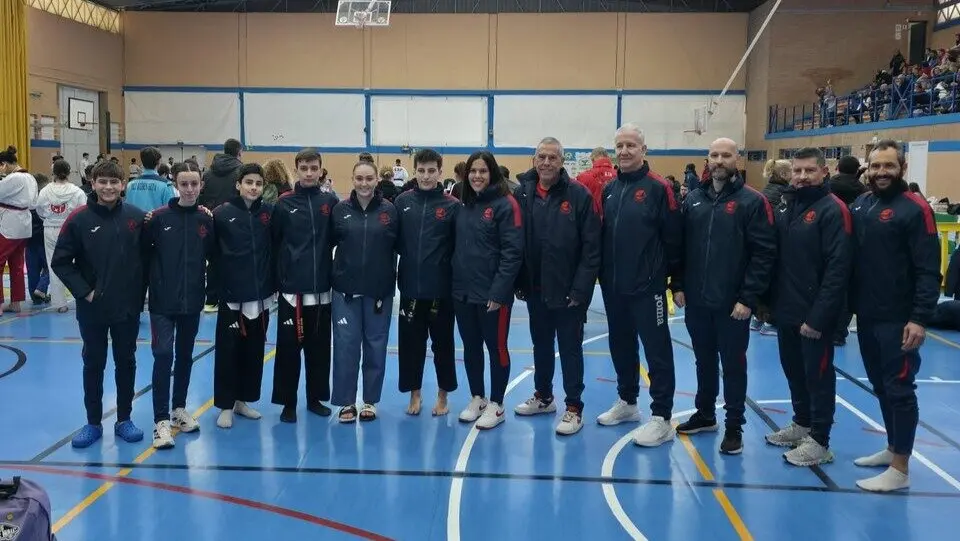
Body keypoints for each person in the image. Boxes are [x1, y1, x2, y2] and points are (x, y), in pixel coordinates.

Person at [671, 138, 776, 455]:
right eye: (714, 155)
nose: (719, 160)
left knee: (733, 366)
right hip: (697, 301)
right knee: (703, 361)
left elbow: (764, 254)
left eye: (726, 155)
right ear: (707, 159)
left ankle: (734, 427)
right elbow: (681, 247)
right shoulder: (693, 199)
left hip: (733, 305)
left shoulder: (753, 202)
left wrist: (748, 298)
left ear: (737, 159)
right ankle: (705, 414)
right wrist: (678, 285)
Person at [849, 140, 941, 492]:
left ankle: (900, 469)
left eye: (888, 165)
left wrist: (919, 318)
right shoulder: (862, 205)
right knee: (881, 386)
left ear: (902, 168)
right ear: (867, 169)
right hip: (867, 316)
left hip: (900, 320)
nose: (881, 172)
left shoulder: (915, 209)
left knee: (900, 389)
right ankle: (892, 448)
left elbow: (928, 270)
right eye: (875, 166)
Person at [764, 147, 852, 466]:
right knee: (793, 370)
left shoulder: (834, 210)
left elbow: (838, 270)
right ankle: (802, 423)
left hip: (815, 316)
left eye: (809, 170)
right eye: (797, 171)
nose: (802, 177)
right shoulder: (789, 206)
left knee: (818, 376)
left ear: (824, 172)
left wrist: (818, 317)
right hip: (787, 310)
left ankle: (820, 441)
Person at [51, 160, 147, 448]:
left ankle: (124, 419)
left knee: (126, 362)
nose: (108, 187)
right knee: (93, 364)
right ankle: (92, 422)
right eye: (102, 182)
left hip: (127, 308)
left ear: (123, 185)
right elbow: (61, 261)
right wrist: (86, 292)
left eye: (114, 182)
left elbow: (151, 256)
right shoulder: (78, 219)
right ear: (92, 184)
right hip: (92, 309)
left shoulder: (136, 217)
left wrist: (139, 292)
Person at [596, 124, 681, 447]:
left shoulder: (659, 188)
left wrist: (672, 280)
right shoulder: (610, 188)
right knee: (621, 345)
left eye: (631, 145)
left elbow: (674, 239)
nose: (624, 151)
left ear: (643, 150)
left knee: (657, 350)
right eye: (619, 146)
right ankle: (628, 402)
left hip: (649, 288)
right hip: (614, 286)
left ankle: (661, 417)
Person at [513, 137, 601, 436]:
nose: (546, 162)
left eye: (552, 157)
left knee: (570, 349)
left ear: (562, 162)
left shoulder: (579, 195)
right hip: (535, 289)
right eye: (542, 157)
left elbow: (592, 248)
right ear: (534, 160)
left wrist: (580, 290)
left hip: (568, 294)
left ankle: (574, 407)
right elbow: (516, 240)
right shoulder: (523, 192)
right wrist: (520, 281)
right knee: (540, 345)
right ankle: (544, 396)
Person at [143, 162, 216, 448]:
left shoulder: (205, 219)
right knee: (163, 355)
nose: (189, 189)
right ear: (175, 184)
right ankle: (160, 420)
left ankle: (178, 410)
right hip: (162, 302)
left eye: (194, 184)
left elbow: (211, 255)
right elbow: (143, 254)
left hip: (192, 301)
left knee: (185, 356)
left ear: (201, 185)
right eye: (184, 184)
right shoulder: (158, 218)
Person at [452, 151, 523, 430]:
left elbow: (513, 253)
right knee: (471, 347)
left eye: (483, 171)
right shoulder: (464, 204)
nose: (477, 176)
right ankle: (478, 398)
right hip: (463, 292)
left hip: (493, 296)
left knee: (497, 348)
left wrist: (498, 292)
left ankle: (497, 404)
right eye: (473, 171)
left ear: (492, 173)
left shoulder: (506, 204)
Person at [271, 148, 338, 424]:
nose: (309, 173)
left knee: (319, 349)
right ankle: (288, 403)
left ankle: (315, 398)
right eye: (304, 168)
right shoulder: (283, 203)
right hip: (292, 292)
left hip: (321, 290)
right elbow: (275, 242)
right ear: (296, 169)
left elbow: (336, 238)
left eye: (314, 168)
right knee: (288, 350)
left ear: (321, 170)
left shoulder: (330, 201)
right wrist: (280, 279)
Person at [330, 161, 399, 423]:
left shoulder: (389, 211)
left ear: (377, 179)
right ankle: (347, 401)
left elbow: (399, 246)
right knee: (346, 347)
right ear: (353, 179)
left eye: (369, 178)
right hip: (345, 293)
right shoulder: (340, 210)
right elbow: (327, 244)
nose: (364, 183)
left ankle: (370, 400)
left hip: (379, 293)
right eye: (359, 178)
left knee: (376, 346)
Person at [393, 149, 460, 416]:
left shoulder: (452, 205)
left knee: (443, 346)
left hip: (441, 291)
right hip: (410, 287)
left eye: (432, 171)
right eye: (421, 171)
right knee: (411, 346)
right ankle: (415, 394)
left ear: (440, 172)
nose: (426, 176)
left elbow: (458, 247)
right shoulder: (402, 202)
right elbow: (394, 241)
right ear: (414, 171)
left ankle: (443, 396)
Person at [211, 163, 275, 429]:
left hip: (260, 296)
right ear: (238, 184)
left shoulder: (269, 213)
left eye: (258, 183)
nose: (253, 188)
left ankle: (242, 401)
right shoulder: (221, 214)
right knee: (228, 352)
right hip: (232, 296)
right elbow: (213, 254)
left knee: (253, 352)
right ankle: (225, 405)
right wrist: (216, 289)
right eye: (249, 182)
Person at [35, 159, 86, 313]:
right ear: (69, 172)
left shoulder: (45, 191)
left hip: (50, 228)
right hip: (70, 228)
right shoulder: (77, 191)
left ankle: (60, 304)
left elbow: (39, 210)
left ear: (53, 173)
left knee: (54, 265)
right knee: (76, 263)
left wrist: (49, 218)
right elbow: (83, 211)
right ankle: (82, 296)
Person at [201, 138, 244, 313]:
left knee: (213, 260)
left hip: (211, 219)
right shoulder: (241, 171)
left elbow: (202, 196)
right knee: (236, 260)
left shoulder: (208, 173)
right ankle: (233, 297)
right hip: (235, 220)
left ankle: (211, 300)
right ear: (239, 152)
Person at [0, 146, 39, 316]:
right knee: (16, 264)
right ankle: (16, 302)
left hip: (10, 225)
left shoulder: (13, 178)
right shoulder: (30, 177)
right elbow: (34, 203)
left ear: (4, 164)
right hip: (24, 224)